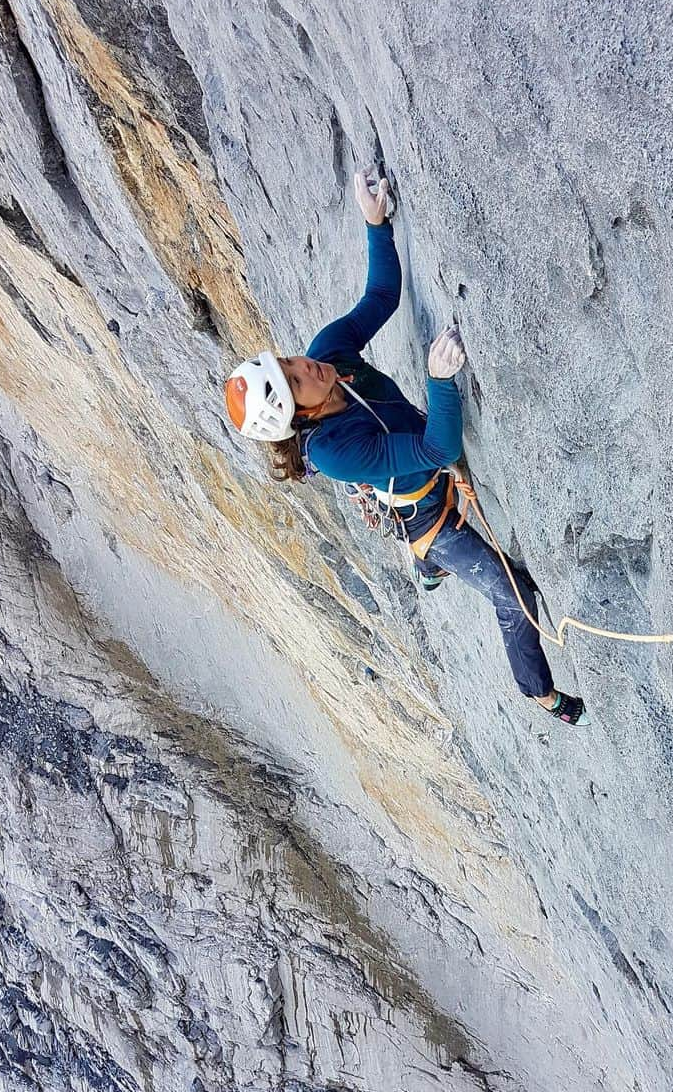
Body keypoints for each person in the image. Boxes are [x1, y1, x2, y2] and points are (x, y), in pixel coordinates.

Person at [223, 167, 585, 726]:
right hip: (427, 519)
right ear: (299, 416)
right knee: (512, 594)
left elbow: (382, 295)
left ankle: (430, 574)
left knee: (440, 510)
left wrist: (375, 224)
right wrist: (440, 383)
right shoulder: (332, 452)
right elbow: (437, 451)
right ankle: (538, 693)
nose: (304, 366)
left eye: (288, 364)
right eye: (295, 382)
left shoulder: (328, 356)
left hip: (418, 466)